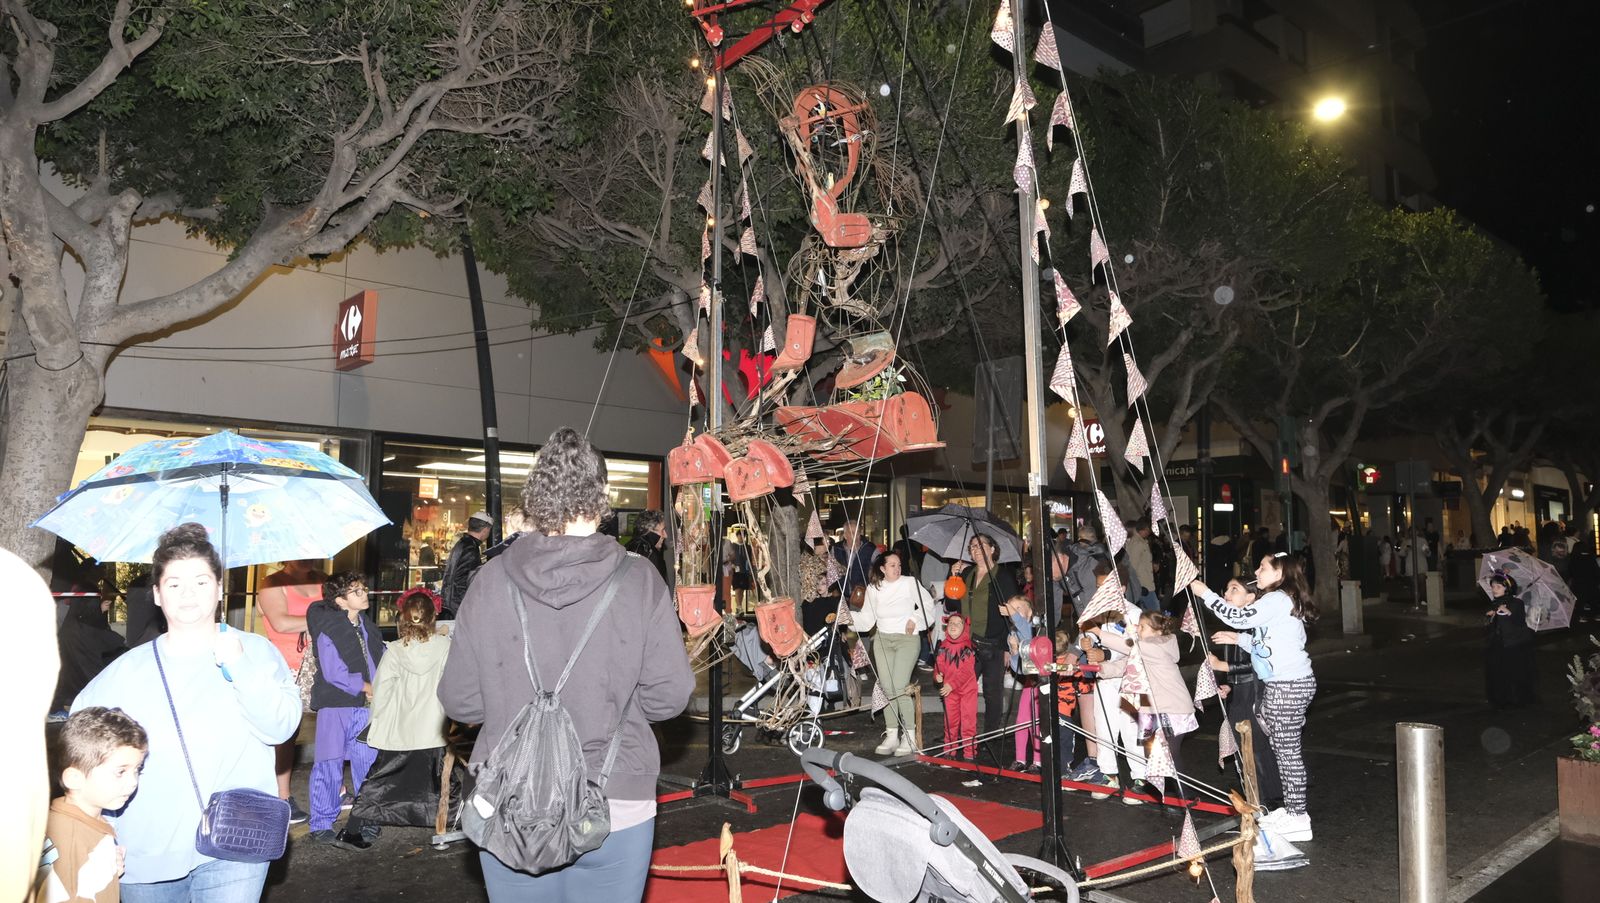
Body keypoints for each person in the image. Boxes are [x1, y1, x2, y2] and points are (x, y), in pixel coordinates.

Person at [438, 427, 694, 901]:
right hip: (615, 795)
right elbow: (668, 697)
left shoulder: (490, 580)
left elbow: (461, 700)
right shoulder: (640, 580)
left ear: (536, 499)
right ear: (602, 499)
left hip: (512, 800)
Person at [73, 522, 300, 901]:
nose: (188, 594)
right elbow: (82, 757)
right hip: (145, 852)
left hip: (235, 842)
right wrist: (95, 830)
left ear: (219, 588)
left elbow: (280, 728)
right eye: (174, 584)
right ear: (158, 595)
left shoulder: (257, 653)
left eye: (200, 581)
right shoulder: (123, 673)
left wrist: (241, 667)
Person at [1189, 552, 1318, 843]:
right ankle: (1293, 810)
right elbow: (1266, 640)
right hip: (1284, 684)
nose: (1257, 572)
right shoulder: (1278, 601)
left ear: (1279, 573)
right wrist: (1239, 639)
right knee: (1284, 751)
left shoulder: (1277, 599)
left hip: (1289, 684)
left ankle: (1299, 817)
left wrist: (1205, 593)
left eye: (1262, 568)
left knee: (1288, 752)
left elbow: (1235, 614)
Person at [352, 587, 454, 829]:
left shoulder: (395, 651)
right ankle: (441, 823)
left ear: (403, 618)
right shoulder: (445, 647)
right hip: (434, 728)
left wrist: (375, 722)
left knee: (381, 781)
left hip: (400, 728)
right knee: (436, 782)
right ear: (432, 618)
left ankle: (357, 828)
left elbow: (382, 691)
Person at [305, 571, 385, 850]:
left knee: (368, 765)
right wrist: (365, 686)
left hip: (366, 708)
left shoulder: (367, 626)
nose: (364, 594)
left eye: (364, 588)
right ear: (341, 600)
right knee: (329, 763)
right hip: (336, 705)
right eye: (357, 591)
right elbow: (333, 671)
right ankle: (321, 823)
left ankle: (367, 819)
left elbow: (380, 660)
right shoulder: (330, 627)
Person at [45, 707, 148, 903]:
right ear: (74, 779)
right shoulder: (66, 838)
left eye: (137, 770)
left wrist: (108, 871)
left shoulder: (89, 819)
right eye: (121, 772)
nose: (133, 781)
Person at [255, 558, 323, 824]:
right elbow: (281, 622)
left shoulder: (322, 580)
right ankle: (282, 796)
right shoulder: (272, 584)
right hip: (287, 667)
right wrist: (320, 619)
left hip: (321, 662)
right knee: (287, 731)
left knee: (332, 724)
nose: (309, 559)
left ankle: (335, 789)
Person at [1207, 580, 1283, 812]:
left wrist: (1223, 666)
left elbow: (1257, 663)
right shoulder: (1236, 623)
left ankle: (1269, 800)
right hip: (1240, 692)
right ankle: (1255, 795)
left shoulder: (1254, 625)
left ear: (1251, 598)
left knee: (1257, 746)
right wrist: (1230, 684)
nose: (1227, 594)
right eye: (1227, 589)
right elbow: (1238, 663)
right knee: (1244, 745)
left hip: (1255, 692)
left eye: (1234, 589)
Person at [855, 550, 940, 756]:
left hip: (906, 640)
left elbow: (928, 604)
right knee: (887, 687)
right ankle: (892, 734)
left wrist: (915, 619)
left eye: (899, 564)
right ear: (882, 569)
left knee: (900, 686)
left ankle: (909, 736)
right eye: (892, 565)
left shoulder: (909, 583)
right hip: (883, 640)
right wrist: (848, 617)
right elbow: (867, 619)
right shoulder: (874, 589)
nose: (897, 568)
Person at [950, 534, 1022, 759]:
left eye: (981, 546)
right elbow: (952, 605)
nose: (976, 550)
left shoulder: (1004, 576)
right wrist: (953, 578)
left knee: (992, 694)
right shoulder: (967, 574)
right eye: (972, 547)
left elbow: (1013, 612)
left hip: (994, 644)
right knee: (961, 692)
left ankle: (990, 740)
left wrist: (1009, 646)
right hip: (967, 644)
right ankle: (963, 739)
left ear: (992, 549)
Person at [1079, 605, 1143, 801]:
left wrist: (1105, 655)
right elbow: (1089, 635)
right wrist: (1086, 643)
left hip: (1132, 678)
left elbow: (1133, 646)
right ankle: (1109, 775)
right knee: (1104, 727)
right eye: (1098, 585)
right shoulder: (1097, 608)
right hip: (1105, 677)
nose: (1101, 589)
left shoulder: (1133, 613)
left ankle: (1142, 778)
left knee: (1132, 729)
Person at [1134, 611, 1195, 803]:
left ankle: (1186, 794)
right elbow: (1124, 664)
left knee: (1169, 752)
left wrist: (1099, 634)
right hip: (1152, 708)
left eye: (1142, 626)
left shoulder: (1154, 647)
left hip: (1172, 708)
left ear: (1157, 631)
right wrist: (1101, 668)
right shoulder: (1143, 647)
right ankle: (1160, 791)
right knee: (1151, 751)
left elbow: (1130, 648)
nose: (1137, 629)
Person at [53, 595, 126, 714]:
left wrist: (100, 610)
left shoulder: (71, 626)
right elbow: (112, 642)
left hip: (71, 691)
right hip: (83, 692)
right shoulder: (85, 629)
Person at [1484, 571, 1537, 708]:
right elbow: (1490, 625)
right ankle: (1498, 697)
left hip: (1513, 644)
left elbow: (1519, 621)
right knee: (1497, 671)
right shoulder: (1494, 603)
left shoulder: (1516, 603)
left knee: (1513, 672)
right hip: (1498, 643)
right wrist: (1491, 616)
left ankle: (1515, 699)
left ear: (1507, 588)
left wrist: (1508, 612)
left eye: (1498, 587)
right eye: (1493, 586)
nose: (1494, 589)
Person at [1002, 596, 1043, 771]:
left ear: (1030, 612)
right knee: (1021, 720)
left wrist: (1012, 613)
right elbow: (1017, 668)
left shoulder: (1035, 629)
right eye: (1012, 609)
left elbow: (1026, 633)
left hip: (1042, 682)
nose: (1015, 612)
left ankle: (1038, 760)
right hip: (1029, 681)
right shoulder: (1013, 633)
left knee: (1037, 722)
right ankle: (1020, 758)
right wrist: (1013, 650)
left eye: (1018, 607)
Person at [933, 613, 979, 760]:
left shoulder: (968, 648)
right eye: (950, 623)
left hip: (967, 691)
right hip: (950, 692)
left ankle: (969, 753)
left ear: (964, 628)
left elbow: (966, 672)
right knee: (950, 722)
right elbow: (938, 665)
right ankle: (949, 751)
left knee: (968, 722)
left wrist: (951, 684)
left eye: (957, 624)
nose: (953, 626)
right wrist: (937, 675)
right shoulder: (943, 647)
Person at [441, 512, 492, 617]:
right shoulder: (470, 548)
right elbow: (461, 580)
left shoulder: (463, 543)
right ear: (485, 529)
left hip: (451, 603)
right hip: (458, 606)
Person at [833, 519, 879, 606]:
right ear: (845, 536)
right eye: (852, 533)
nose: (856, 536)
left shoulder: (870, 549)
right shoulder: (836, 549)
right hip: (841, 599)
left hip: (864, 598)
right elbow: (830, 573)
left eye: (858, 532)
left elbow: (880, 568)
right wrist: (834, 589)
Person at [624, 510, 671, 585]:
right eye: (662, 530)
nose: (665, 535)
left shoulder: (629, 547)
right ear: (650, 531)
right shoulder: (649, 553)